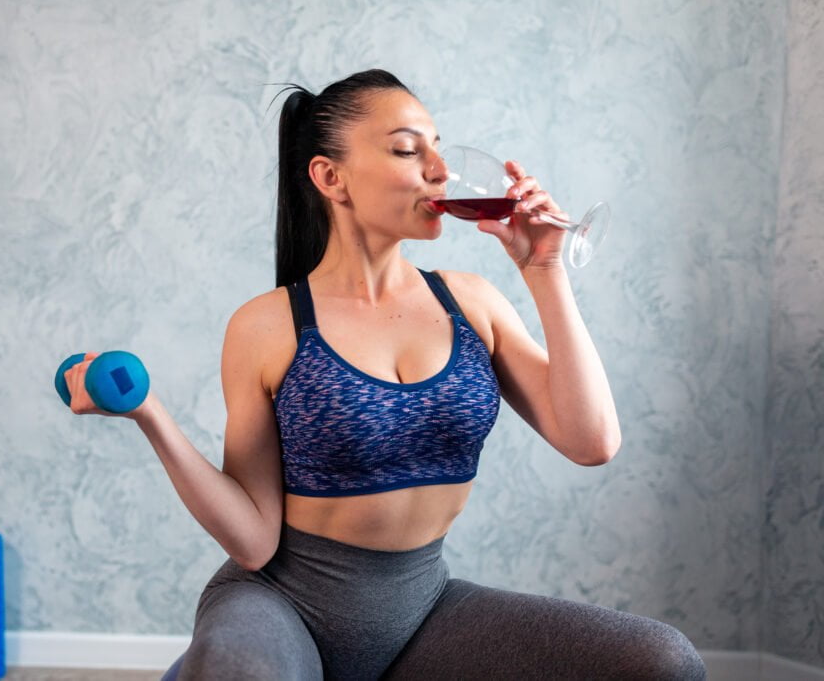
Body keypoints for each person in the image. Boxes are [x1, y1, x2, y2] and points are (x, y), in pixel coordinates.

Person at [63, 69, 707, 680]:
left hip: (421, 610)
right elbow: (255, 542)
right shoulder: (269, 326)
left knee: (660, 662)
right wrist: (149, 415)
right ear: (331, 176)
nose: (440, 170)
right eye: (406, 150)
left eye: (438, 148)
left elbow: (591, 441)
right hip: (281, 608)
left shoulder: (470, 302)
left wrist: (544, 271)